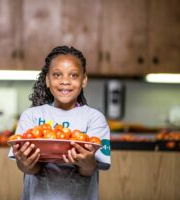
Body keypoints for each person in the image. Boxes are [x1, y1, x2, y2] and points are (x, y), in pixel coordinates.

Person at [8, 46, 111, 200]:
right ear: (47, 80)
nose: (65, 81)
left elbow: (89, 170)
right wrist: (25, 162)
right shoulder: (31, 116)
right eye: (57, 75)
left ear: (83, 80)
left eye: (74, 75)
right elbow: (28, 168)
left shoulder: (94, 118)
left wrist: (87, 161)